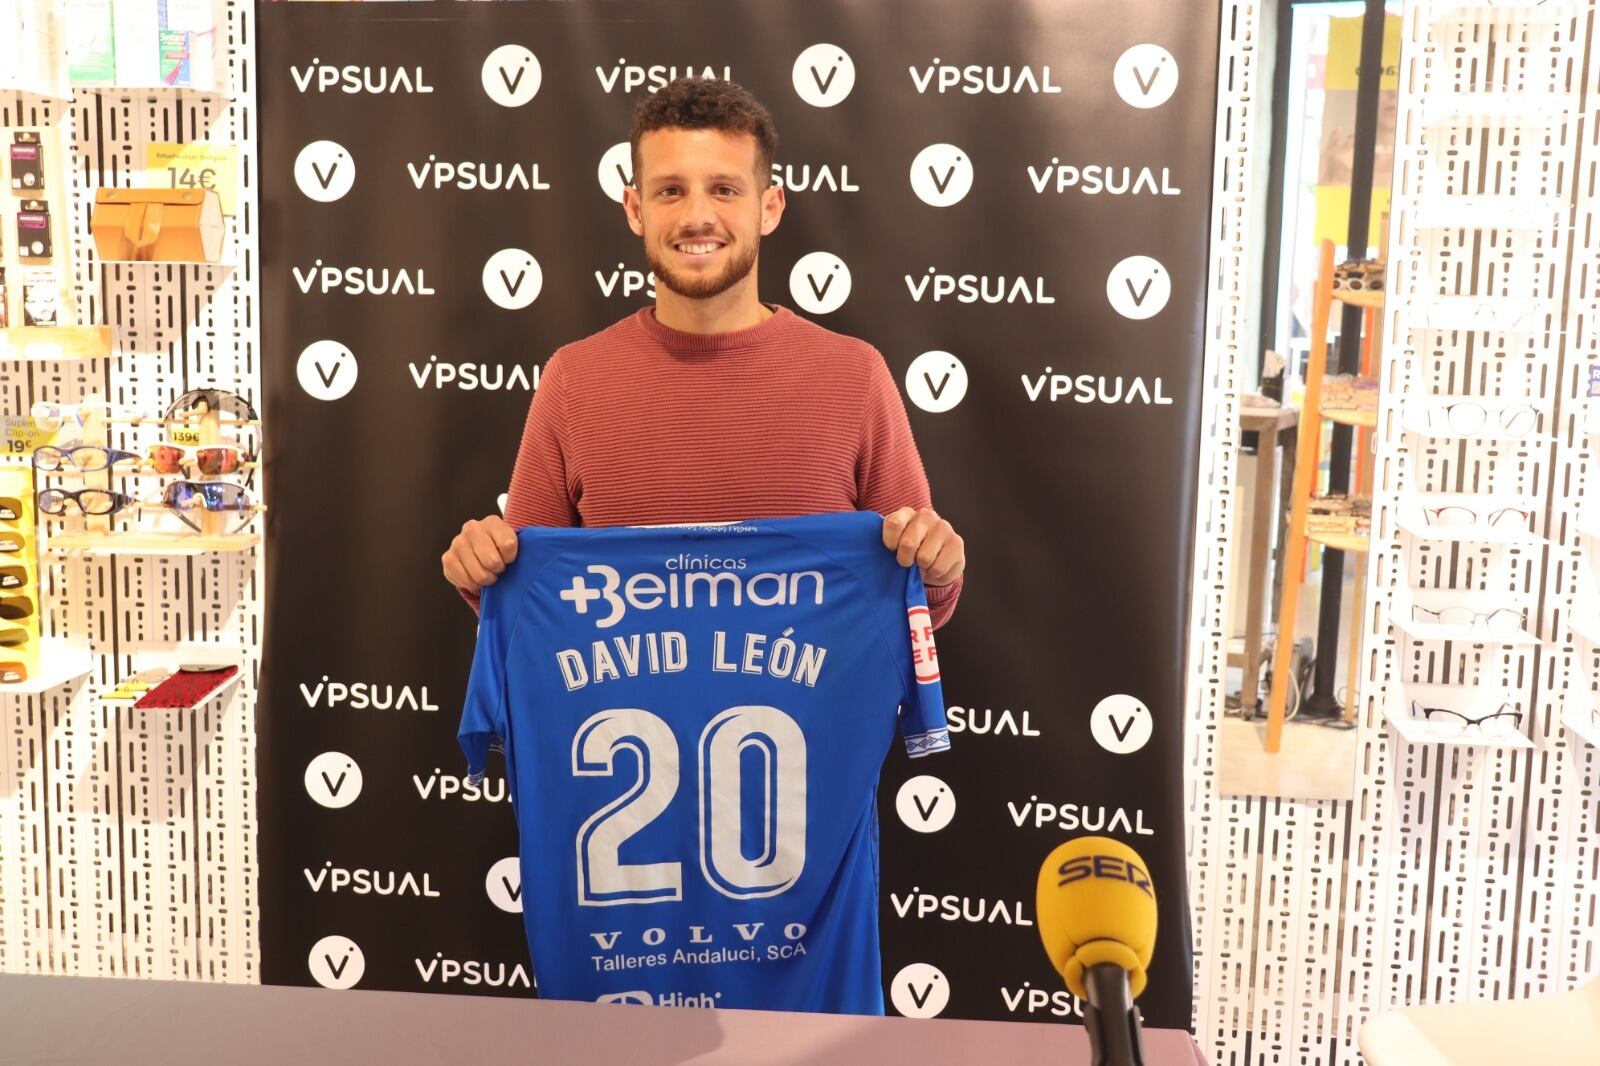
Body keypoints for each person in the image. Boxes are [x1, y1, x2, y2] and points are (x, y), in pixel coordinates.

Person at [442, 77, 965, 627]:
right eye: (670, 190)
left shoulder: (854, 374)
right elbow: (529, 602)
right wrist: (482, 570)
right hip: (624, 715)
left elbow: (915, 598)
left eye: (724, 189)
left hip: (817, 713)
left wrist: (937, 568)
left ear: (770, 207)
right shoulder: (574, 378)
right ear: (635, 209)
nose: (697, 216)